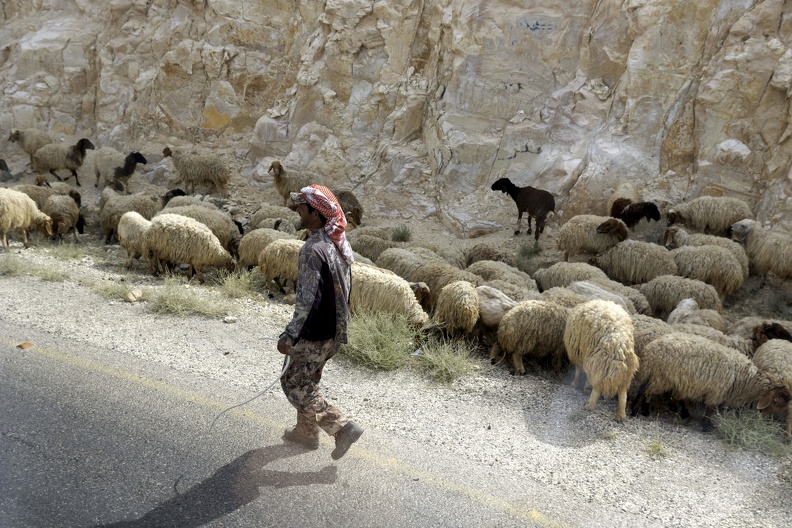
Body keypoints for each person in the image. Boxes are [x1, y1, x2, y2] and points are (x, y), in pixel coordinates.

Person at [276, 184, 363, 460]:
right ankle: (306, 433)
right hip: (334, 331)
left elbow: (306, 300)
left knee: (294, 383)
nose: (298, 210)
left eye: (303, 207)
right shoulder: (339, 247)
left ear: (316, 214)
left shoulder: (313, 249)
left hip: (314, 332)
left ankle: (341, 426)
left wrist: (290, 335)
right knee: (307, 378)